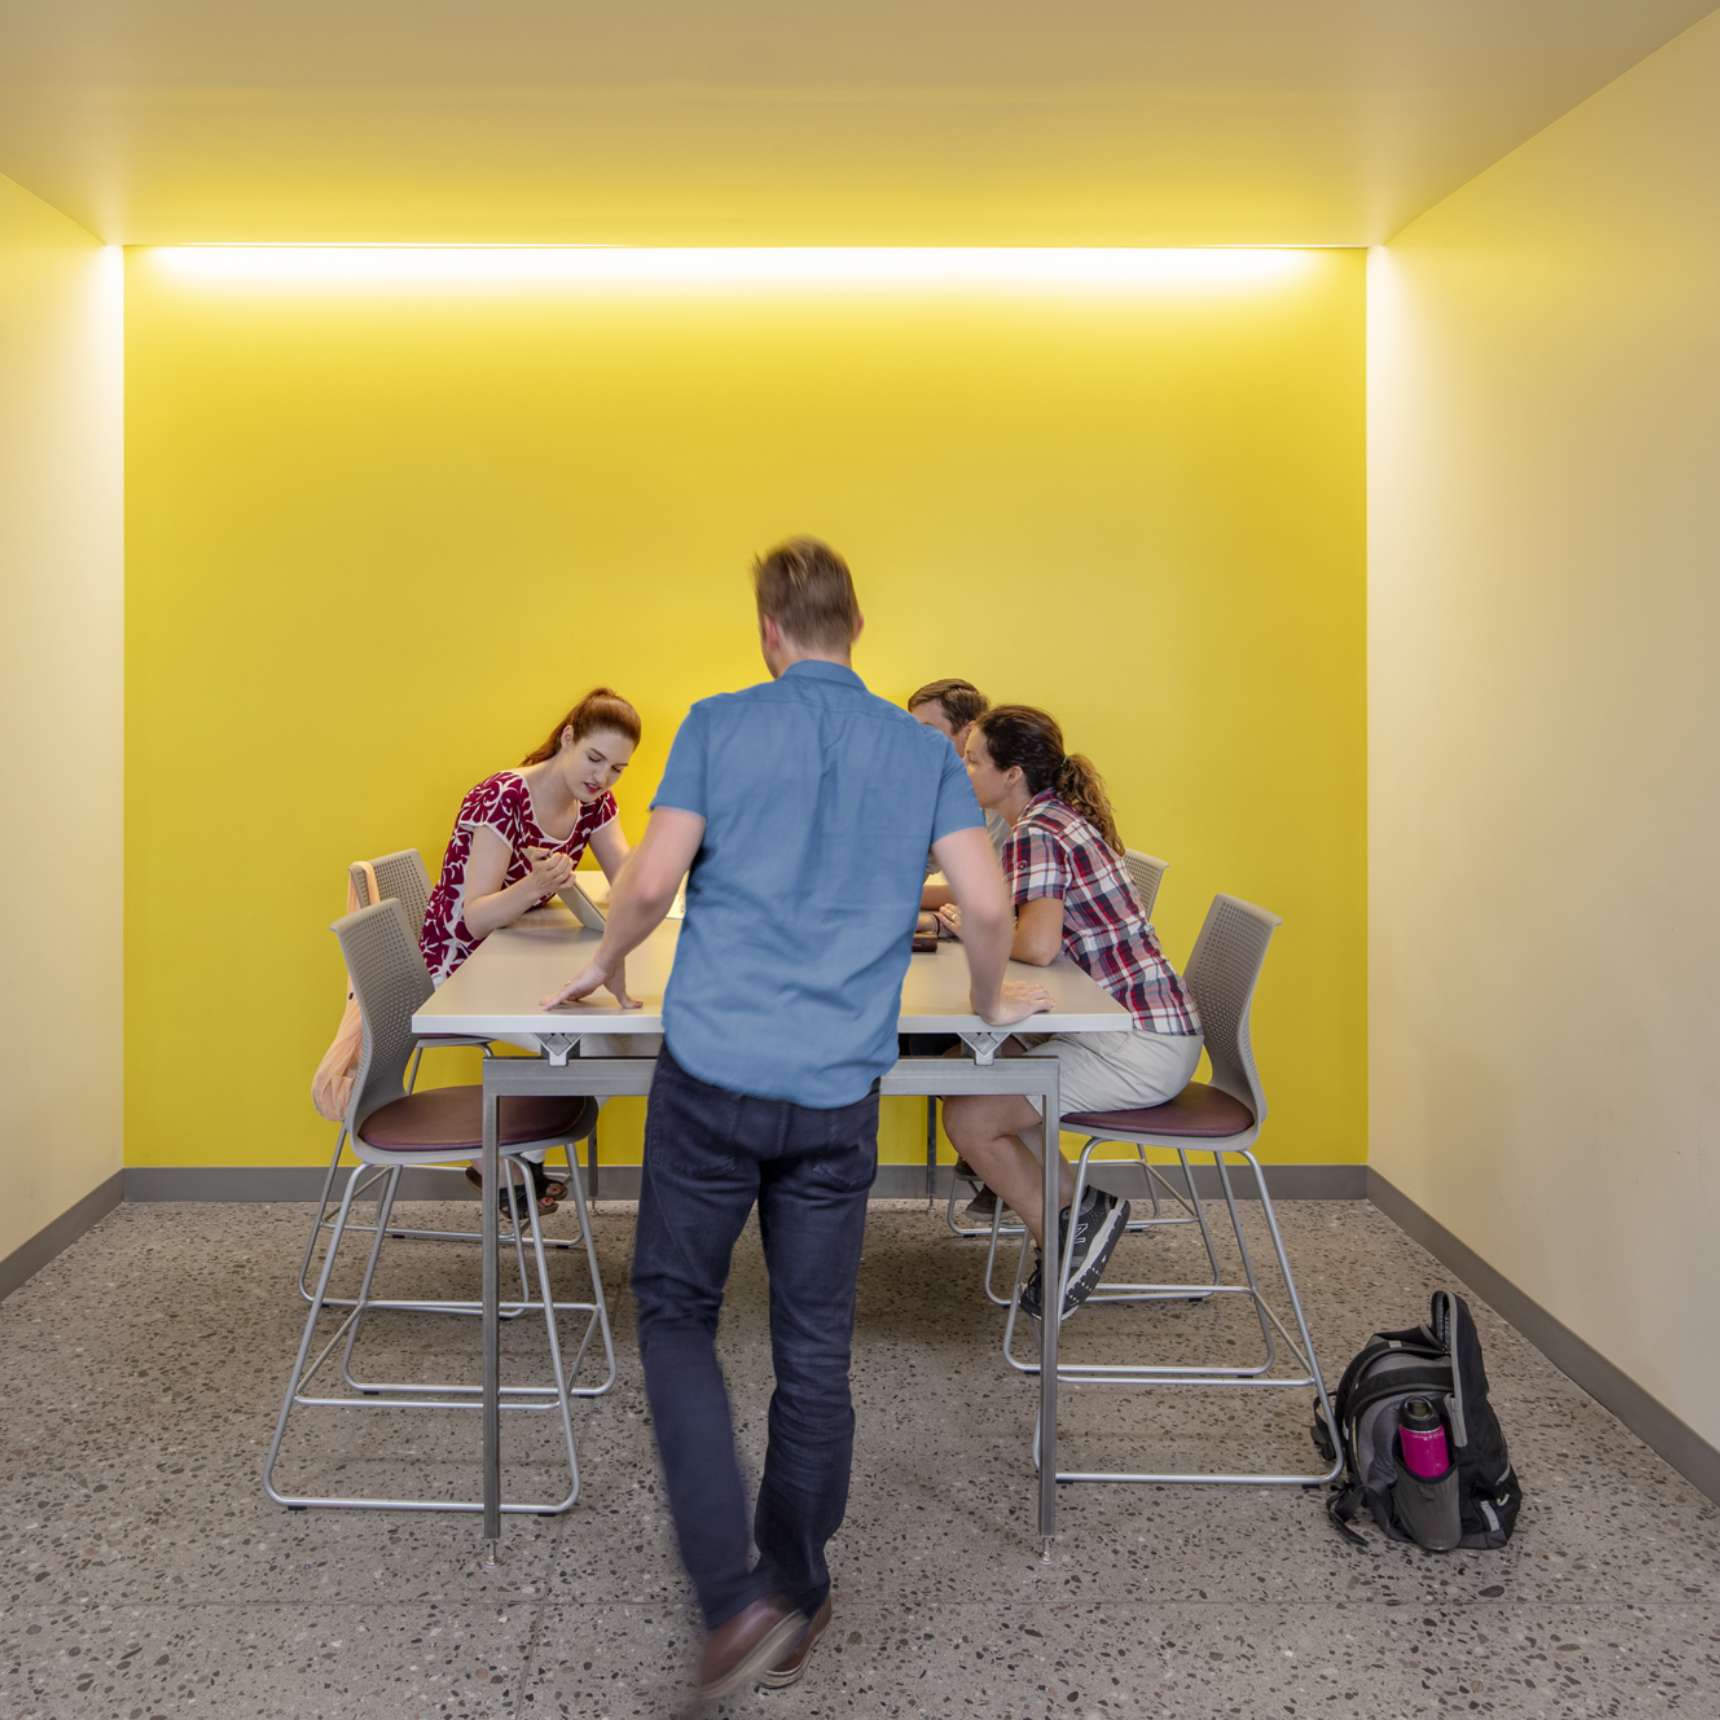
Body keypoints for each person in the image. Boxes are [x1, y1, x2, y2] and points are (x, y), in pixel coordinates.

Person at [541, 538, 1049, 1704]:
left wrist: (606, 963)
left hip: (713, 1080)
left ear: (770, 631)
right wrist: (981, 1005)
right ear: (853, 631)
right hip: (836, 1097)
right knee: (813, 1349)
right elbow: (981, 899)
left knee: (676, 1313)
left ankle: (731, 1600)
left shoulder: (720, 722)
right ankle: (799, 1589)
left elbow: (653, 880)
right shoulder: (913, 751)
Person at [936, 704, 1203, 1322]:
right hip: (1139, 1031)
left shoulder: (1039, 830)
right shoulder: (1047, 818)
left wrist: (973, 926)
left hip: (1140, 1046)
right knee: (971, 1066)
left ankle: (1065, 1233)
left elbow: (1036, 944)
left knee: (971, 1117)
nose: (963, 769)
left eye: (973, 760)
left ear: (1012, 773)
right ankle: (1076, 1209)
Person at [419, 687, 640, 1212]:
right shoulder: (502, 797)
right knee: (605, 1045)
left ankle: (516, 1161)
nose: (601, 778)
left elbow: (627, 880)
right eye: (593, 758)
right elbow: (474, 917)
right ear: (567, 737)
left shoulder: (595, 802)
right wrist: (535, 886)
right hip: (458, 965)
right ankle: (507, 1163)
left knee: (614, 1040)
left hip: (513, 952)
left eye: (616, 769)